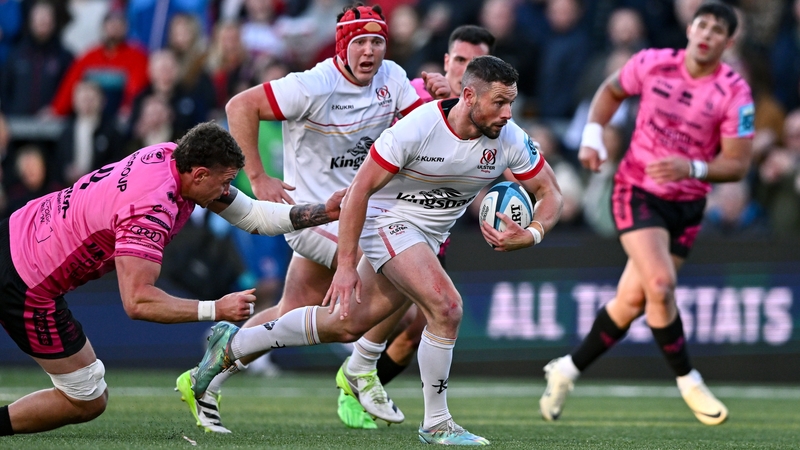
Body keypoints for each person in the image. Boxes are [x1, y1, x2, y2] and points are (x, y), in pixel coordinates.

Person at [189, 55, 562, 445]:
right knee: (447, 307)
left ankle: (231, 344)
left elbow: (550, 193)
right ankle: (436, 422)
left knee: (345, 324)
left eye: (512, 102)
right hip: (385, 220)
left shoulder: (510, 138)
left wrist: (532, 232)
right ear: (468, 96)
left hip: (425, 237)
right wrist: (346, 264)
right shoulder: (418, 128)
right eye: (500, 102)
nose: (508, 113)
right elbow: (359, 192)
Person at [173, 3, 450, 434]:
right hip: (311, 216)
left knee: (291, 310)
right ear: (342, 46)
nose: (369, 51)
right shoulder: (314, 84)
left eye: (377, 41)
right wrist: (259, 176)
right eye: (360, 41)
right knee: (394, 273)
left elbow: (426, 123)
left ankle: (206, 376)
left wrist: (442, 95)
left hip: (355, 213)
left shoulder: (392, 77)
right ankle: (361, 367)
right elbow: (239, 106)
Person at [0, 121, 343, 436]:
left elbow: (253, 216)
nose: (226, 190)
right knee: (87, 398)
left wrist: (324, 212)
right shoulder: (151, 208)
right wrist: (215, 309)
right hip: (28, 286)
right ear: (199, 174)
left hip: (15, 230)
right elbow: (137, 301)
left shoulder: (170, 156)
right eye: (224, 182)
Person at [538, 1, 754, 426]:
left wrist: (691, 167)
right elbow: (610, 91)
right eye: (703, 25)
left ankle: (566, 369)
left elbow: (739, 164)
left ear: (728, 43)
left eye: (718, 31)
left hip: (687, 202)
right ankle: (689, 379)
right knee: (660, 283)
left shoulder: (734, 91)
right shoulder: (654, 62)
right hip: (637, 189)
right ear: (690, 29)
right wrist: (592, 137)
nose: (707, 34)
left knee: (633, 299)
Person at [335, 23, 497, 430]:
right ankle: (358, 375)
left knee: (418, 324)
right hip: (375, 214)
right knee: (356, 315)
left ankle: (359, 375)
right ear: (446, 62)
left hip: (433, 227)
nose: (463, 71)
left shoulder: (494, 110)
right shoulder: (417, 95)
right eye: (459, 61)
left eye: (472, 63)